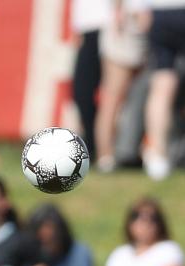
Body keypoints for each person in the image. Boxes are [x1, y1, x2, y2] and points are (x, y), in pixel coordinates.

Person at [138, 1, 185, 179]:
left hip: (159, 13)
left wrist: (140, 9)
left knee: (162, 85)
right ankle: (158, 157)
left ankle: (158, 158)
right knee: (163, 86)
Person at [94, 0, 147, 172]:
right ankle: (105, 156)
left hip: (141, 30)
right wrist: (118, 12)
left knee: (137, 99)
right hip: (124, 29)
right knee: (112, 98)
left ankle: (129, 151)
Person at [71, 0, 112, 157]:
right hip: (88, 29)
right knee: (82, 93)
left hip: (110, 26)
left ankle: (109, 151)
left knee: (113, 96)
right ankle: (93, 147)